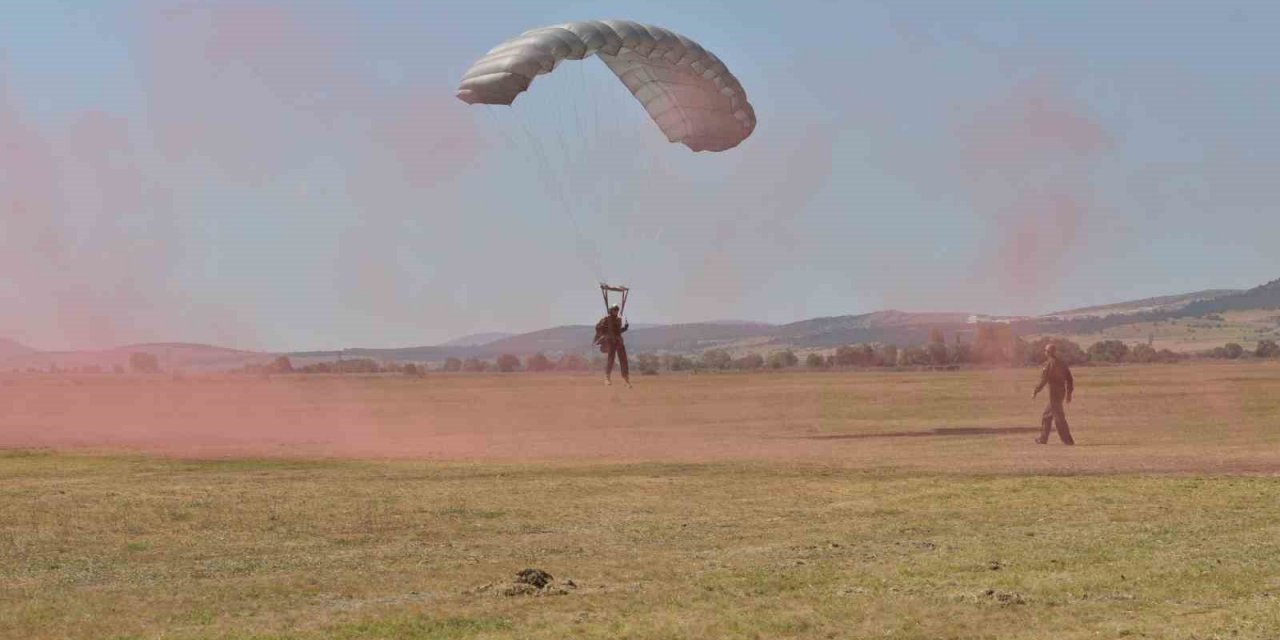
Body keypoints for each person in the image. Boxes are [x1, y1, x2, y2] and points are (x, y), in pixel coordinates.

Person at [1033, 342, 1075, 445]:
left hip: (1053, 394)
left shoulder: (1049, 364)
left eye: (1046, 351)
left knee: (1059, 418)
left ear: (1048, 352)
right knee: (1047, 416)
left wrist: (1036, 391)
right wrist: (1069, 393)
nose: (1045, 352)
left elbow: (1043, 380)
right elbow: (1069, 379)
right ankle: (1043, 439)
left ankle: (1068, 440)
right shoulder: (1062, 363)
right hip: (1061, 393)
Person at [594, 305, 630, 387]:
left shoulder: (618, 319)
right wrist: (604, 331)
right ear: (611, 310)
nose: (616, 311)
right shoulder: (606, 319)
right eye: (615, 310)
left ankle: (626, 379)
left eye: (617, 310)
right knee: (611, 359)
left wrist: (625, 328)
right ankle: (607, 378)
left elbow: (618, 331)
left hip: (618, 341)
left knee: (623, 359)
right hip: (611, 341)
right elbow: (598, 327)